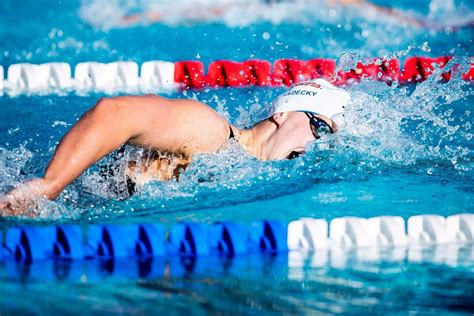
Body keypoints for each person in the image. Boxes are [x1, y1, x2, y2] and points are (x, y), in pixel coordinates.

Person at [0, 79, 350, 216]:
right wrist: (49, 186)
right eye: (320, 128)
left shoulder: (244, 173)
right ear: (283, 112)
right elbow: (115, 112)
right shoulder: (214, 134)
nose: (316, 145)